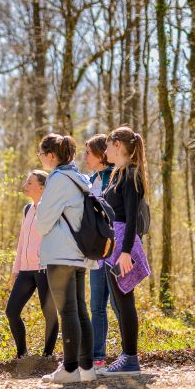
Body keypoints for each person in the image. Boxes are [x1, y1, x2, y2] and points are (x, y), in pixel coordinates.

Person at [34, 133, 97, 384]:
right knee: (80, 310)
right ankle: (86, 368)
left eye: (41, 153)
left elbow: (42, 222)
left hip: (61, 253)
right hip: (79, 253)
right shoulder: (79, 177)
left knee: (68, 311)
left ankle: (70, 369)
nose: (39, 157)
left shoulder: (58, 179)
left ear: (51, 156)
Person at [99, 126, 150, 376]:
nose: (105, 151)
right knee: (119, 302)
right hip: (113, 245)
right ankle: (126, 355)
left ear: (117, 145)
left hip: (122, 247)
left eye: (108, 146)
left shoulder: (131, 175)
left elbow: (130, 218)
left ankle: (130, 358)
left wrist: (126, 252)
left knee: (124, 301)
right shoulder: (118, 174)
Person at [5, 169, 59, 359]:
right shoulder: (27, 209)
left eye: (29, 182)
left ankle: (47, 355)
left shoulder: (51, 209)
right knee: (11, 311)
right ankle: (22, 354)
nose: (25, 185)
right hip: (26, 270)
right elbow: (22, 242)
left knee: (49, 313)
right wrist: (16, 270)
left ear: (42, 187)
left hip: (45, 268)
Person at [83, 134, 120, 371]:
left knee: (118, 304)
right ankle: (98, 357)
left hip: (114, 250)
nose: (85, 157)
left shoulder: (114, 177)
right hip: (96, 252)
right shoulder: (89, 180)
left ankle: (129, 354)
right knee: (96, 305)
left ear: (100, 154)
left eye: (88, 152)